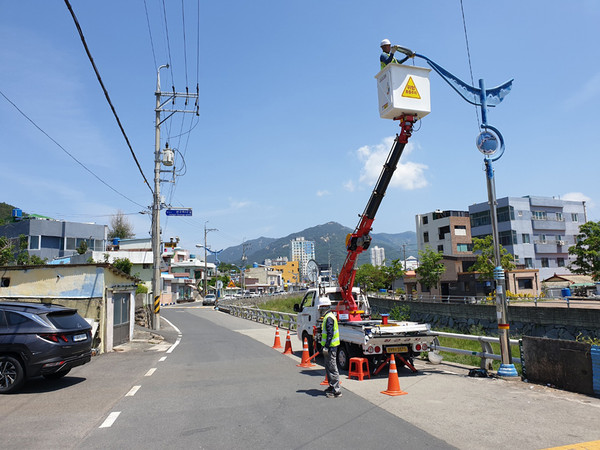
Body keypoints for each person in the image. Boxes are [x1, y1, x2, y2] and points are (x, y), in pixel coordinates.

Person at [321, 308, 342, 398]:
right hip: (330, 345)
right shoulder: (329, 316)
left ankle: (337, 390)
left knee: (332, 367)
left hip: (331, 346)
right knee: (328, 366)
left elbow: (330, 333)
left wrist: (326, 345)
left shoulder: (329, 317)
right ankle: (331, 386)